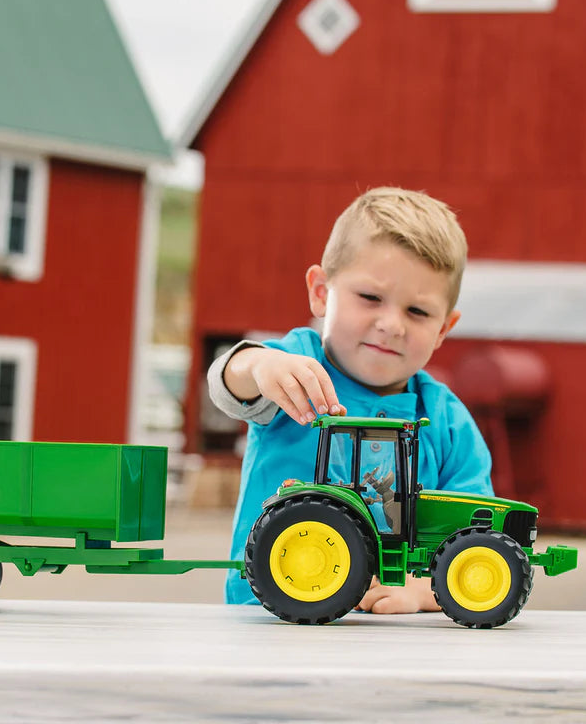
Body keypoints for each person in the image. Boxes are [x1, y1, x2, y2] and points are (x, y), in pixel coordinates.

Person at [207, 186, 492, 613]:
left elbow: (476, 534)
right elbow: (229, 381)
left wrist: (424, 590)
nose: (391, 325)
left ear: (443, 329)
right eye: (371, 298)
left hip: (392, 637)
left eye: (417, 312)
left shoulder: (445, 420)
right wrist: (259, 366)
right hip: (273, 618)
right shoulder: (298, 367)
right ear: (321, 292)